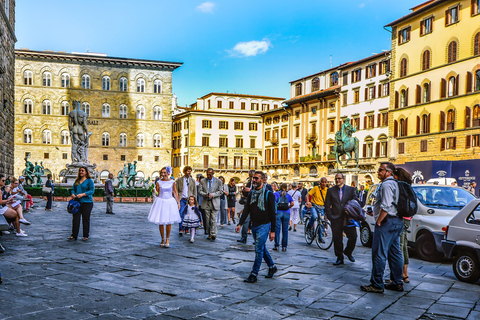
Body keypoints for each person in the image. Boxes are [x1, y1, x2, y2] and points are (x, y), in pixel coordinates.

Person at [361, 162, 404, 293]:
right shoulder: (397, 183)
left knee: (379, 253)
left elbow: (386, 206)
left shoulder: (386, 184)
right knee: (395, 252)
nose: (378, 172)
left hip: (387, 221)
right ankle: (397, 282)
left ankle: (377, 284)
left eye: (381, 170)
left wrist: (379, 221)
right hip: (398, 220)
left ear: (389, 172)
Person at [236, 171, 277, 283]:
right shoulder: (251, 194)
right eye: (253, 178)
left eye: (257, 178)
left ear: (263, 180)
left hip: (264, 225)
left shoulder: (269, 195)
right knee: (261, 247)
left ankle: (254, 274)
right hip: (254, 225)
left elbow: (273, 214)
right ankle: (272, 267)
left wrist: (273, 231)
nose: (254, 180)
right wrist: (240, 223)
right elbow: (247, 210)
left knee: (258, 249)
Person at [324, 173, 359, 265]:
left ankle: (348, 251)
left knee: (353, 236)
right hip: (336, 218)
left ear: (343, 179)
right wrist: (330, 216)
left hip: (348, 218)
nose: (337, 180)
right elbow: (327, 205)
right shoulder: (331, 190)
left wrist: (351, 210)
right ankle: (339, 257)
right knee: (337, 238)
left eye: (339, 178)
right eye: (336, 179)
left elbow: (355, 201)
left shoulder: (351, 189)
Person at [148, 167, 181, 247]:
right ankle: (162, 238)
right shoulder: (158, 182)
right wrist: (154, 192)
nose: (163, 174)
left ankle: (167, 238)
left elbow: (175, 192)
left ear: (168, 173)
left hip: (170, 201)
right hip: (161, 201)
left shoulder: (172, 182)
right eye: (162, 173)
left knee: (169, 222)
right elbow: (158, 193)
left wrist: (178, 202)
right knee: (161, 221)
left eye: (165, 172)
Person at [394, 167, 412, 284]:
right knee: (404, 246)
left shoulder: (400, 187)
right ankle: (405, 274)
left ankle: (400, 275)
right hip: (408, 218)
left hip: (401, 218)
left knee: (399, 248)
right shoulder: (408, 186)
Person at [69, 167, 95, 241]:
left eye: (83, 171)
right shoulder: (77, 180)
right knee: (75, 219)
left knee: (85, 219)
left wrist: (83, 194)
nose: (81, 172)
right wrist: (73, 194)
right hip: (77, 202)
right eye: (80, 171)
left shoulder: (89, 181)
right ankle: (74, 235)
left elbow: (92, 190)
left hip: (87, 202)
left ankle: (85, 235)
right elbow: (73, 189)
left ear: (86, 172)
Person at [198, 168, 223, 241]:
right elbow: (200, 191)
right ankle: (209, 233)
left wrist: (213, 195)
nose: (208, 176)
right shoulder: (203, 181)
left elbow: (221, 191)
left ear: (213, 174)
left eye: (210, 174)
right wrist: (206, 194)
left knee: (214, 219)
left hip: (214, 201)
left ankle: (213, 233)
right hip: (206, 201)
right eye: (207, 174)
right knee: (207, 219)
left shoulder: (218, 181)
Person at [176, 166, 197, 236]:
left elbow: (195, 191)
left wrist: (195, 201)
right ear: (185, 172)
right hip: (182, 199)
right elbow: (176, 190)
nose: (189, 172)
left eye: (190, 171)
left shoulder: (193, 181)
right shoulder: (179, 180)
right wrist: (177, 199)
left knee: (189, 214)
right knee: (181, 213)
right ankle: (181, 228)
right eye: (188, 171)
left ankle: (187, 228)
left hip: (189, 200)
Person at [273, 183, 294, 252]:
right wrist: (288, 207)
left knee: (277, 229)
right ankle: (284, 246)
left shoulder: (276, 194)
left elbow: (273, 203)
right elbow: (292, 203)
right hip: (286, 213)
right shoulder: (288, 195)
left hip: (278, 212)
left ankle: (277, 245)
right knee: (285, 230)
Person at [237, 170, 255, 244]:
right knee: (245, 221)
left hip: (255, 205)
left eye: (252, 176)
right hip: (247, 204)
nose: (251, 178)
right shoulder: (249, 183)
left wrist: (250, 190)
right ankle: (244, 237)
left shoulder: (257, 183)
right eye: (250, 176)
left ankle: (256, 239)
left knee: (255, 223)